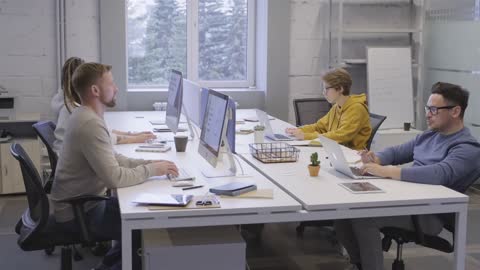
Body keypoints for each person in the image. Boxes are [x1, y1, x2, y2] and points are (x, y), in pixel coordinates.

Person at [334, 82, 480, 270]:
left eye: (434, 109)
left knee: (363, 217)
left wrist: (386, 171)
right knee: (342, 211)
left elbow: (439, 174)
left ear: (455, 111)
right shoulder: (430, 135)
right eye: (428, 108)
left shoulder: (467, 148)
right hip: (407, 198)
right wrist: (377, 158)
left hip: (429, 213)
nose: (428, 114)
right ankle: (360, 263)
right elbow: (397, 152)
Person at [50, 62, 179, 270]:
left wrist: (151, 163)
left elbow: (114, 158)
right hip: (80, 213)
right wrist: (153, 171)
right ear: (95, 90)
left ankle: (106, 266)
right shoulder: (89, 123)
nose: (116, 88)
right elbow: (114, 178)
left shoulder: (86, 115)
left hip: (83, 205)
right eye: (111, 83)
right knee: (144, 225)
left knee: (137, 214)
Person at [51, 57, 156, 154]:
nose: (115, 89)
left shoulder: (69, 103)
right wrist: (135, 139)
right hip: (69, 157)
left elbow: (104, 132)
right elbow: (103, 138)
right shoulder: (72, 110)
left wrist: (133, 134)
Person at [285, 68, 372, 150]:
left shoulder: (356, 108)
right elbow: (319, 127)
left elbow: (340, 136)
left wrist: (305, 136)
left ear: (340, 89)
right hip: (336, 150)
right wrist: (299, 130)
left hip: (352, 156)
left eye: (327, 88)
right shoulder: (337, 107)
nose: (324, 92)